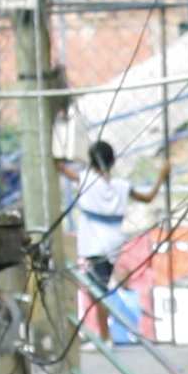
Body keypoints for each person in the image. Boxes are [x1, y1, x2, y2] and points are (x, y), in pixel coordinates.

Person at [68, 138, 137, 343]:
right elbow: (148, 197)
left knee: (97, 292)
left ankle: (105, 338)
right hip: (113, 245)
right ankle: (105, 335)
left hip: (94, 247)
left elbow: (60, 167)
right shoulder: (120, 185)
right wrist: (161, 176)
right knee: (100, 290)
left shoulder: (87, 181)